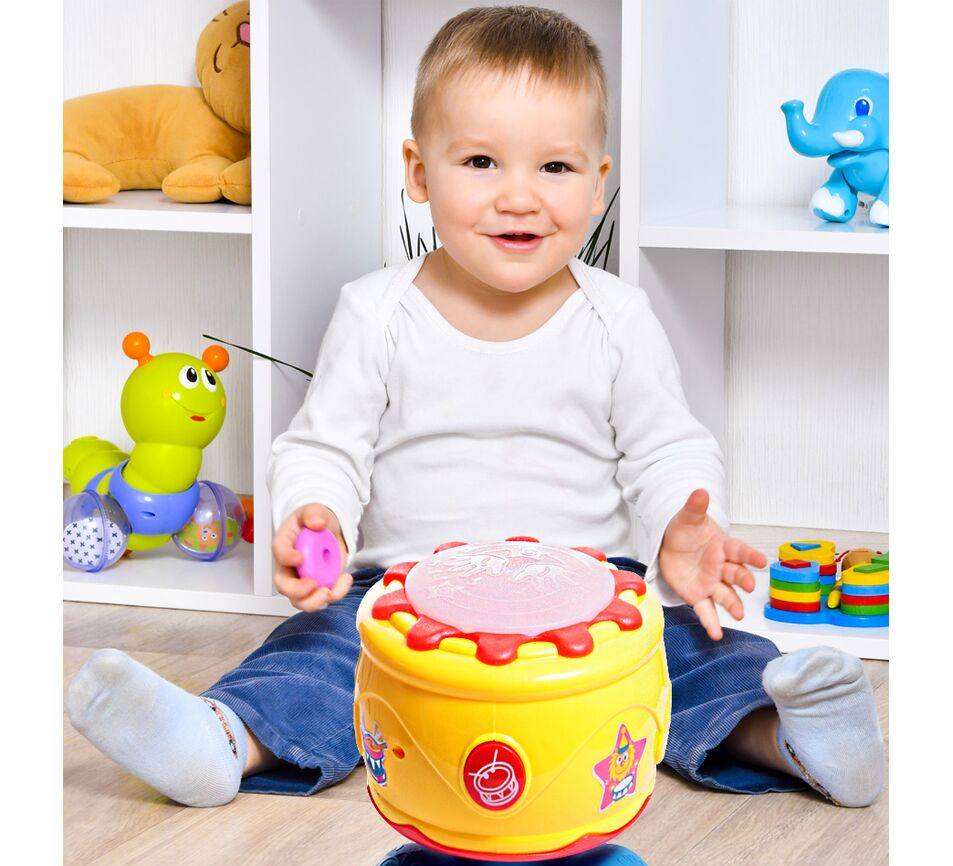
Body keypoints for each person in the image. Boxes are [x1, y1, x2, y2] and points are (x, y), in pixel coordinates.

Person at [68, 6, 884, 811]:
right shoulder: (375, 312)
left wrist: (682, 524)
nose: (519, 198)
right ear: (420, 172)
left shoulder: (617, 317)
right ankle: (219, 740)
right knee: (316, 655)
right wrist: (316, 515)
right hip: (404, 596)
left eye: (554, 168)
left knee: (703, 653)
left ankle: (796, 741)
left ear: (597, 183)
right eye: (482, 162)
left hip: (593, 597)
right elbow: (324, 448)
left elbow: (667, 448)